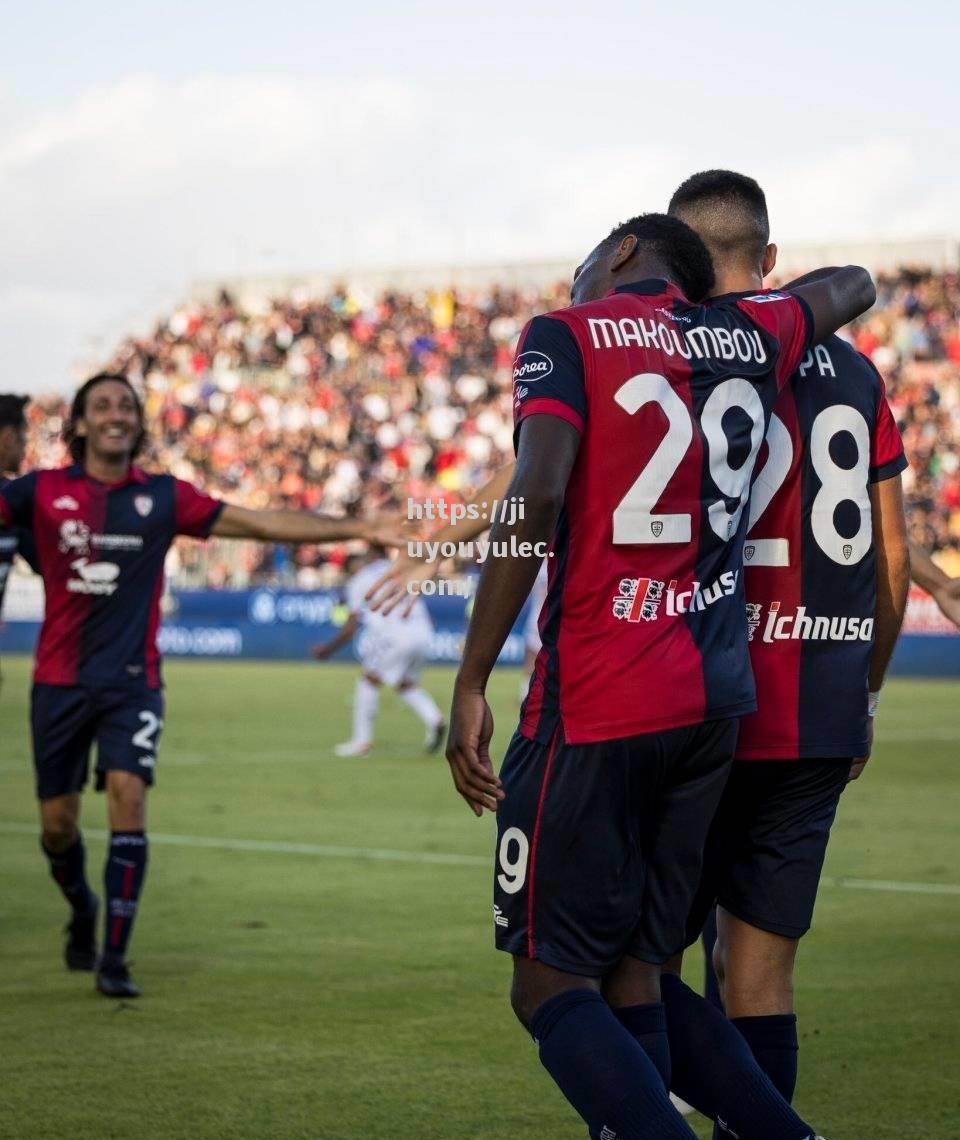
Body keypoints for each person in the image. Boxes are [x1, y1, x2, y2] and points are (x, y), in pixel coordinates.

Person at [445, 209, 874, 1140]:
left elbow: (539, 486)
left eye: (585, 261)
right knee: (638, 968)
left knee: (546, 980)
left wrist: (472, 674)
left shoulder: (564, 333)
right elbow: (855, 284)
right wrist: (756, 306)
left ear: (628, 252)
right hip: (712, 703)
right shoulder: (751, 332)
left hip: (598, 700)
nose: (574, 280)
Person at [634, 170, 910, 1135]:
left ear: (674, 257)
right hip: (826, 702)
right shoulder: (861, 370)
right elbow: (895, 554)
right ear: (771, 257)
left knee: (650, 957)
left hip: (707, 696)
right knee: (762, 969)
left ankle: (652, 1113)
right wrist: (866, 691)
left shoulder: (687, 355)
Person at [0, 373, 401, 999]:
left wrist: (358, 528)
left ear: (137, 423)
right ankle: (82, 909)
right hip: (58, 683)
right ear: (79, 424)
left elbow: (263, 525)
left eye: (127, 406)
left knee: (128, 798)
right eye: (102, 405)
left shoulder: (163, 497)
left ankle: (114, 958)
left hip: (133, 684)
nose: (117, 414)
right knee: (56, 826)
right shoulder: (42, 492)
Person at [312, 547, 444, 756]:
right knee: (406, 684)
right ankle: (434, 719)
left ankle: (361, 741)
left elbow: (351, 627)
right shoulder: (392, 567)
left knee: (369, 680)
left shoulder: (358, 581)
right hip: (423, 631)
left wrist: (328, 649)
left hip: (395, 636)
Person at [0, 395, 39, 648]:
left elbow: (46, 561)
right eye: (24, 436)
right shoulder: (13, 499)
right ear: (8, 437)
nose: (26, 446)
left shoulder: (13, 501)